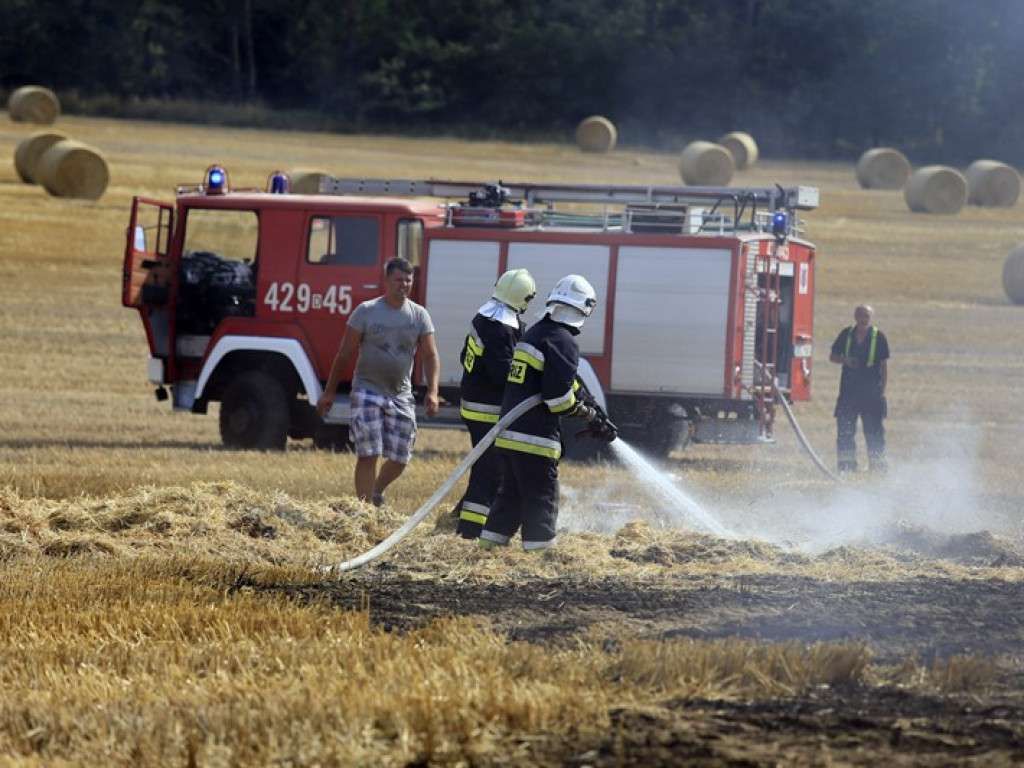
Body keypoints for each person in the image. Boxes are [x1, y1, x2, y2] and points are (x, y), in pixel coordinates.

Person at [478, 274, 617, 552]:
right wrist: (587, 415)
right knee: (542, 499)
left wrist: (591, 405)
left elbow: (563, 381)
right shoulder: (564, 340)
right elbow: (558, 399)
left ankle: (488, 551)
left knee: (511, 499)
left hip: (509, 436)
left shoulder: (537, 333)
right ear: (585, 308)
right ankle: (540, 559)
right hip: (535, 440)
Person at [316, 257, 440, 505]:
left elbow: (430, 355)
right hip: (367, 389)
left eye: (408, 280)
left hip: (401, 394)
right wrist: (329, 392)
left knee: (400, 457)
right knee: (368, 452)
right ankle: (364, 511)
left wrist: (433, 390)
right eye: (398, 280)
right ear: (386, 281)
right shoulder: (366, 311)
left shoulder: (419, 315)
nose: (403, 285)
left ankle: (376, 491)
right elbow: (344, 354)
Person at [454, 268, 537, 539]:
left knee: (489, 464)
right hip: (486, 410)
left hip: (475, 403)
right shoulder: (499, 328)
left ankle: (461, 513)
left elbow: (463, 355)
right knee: (490, 470)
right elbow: (503, 373)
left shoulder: (484, 316)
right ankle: (470, 529)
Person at [829, 303, 890, 473]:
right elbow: (832, 356)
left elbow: (884, 367)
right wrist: (846, 361)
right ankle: (847, 468)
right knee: (845, 433)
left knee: (874, 434)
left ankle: (878, 469)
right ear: (855, 317)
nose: (863, 319)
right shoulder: (846, 334)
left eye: (867, 316)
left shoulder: (879, 337)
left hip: (871, 395)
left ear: (871, 318)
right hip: (848, 393)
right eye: (860, 316)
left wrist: (882, 393)